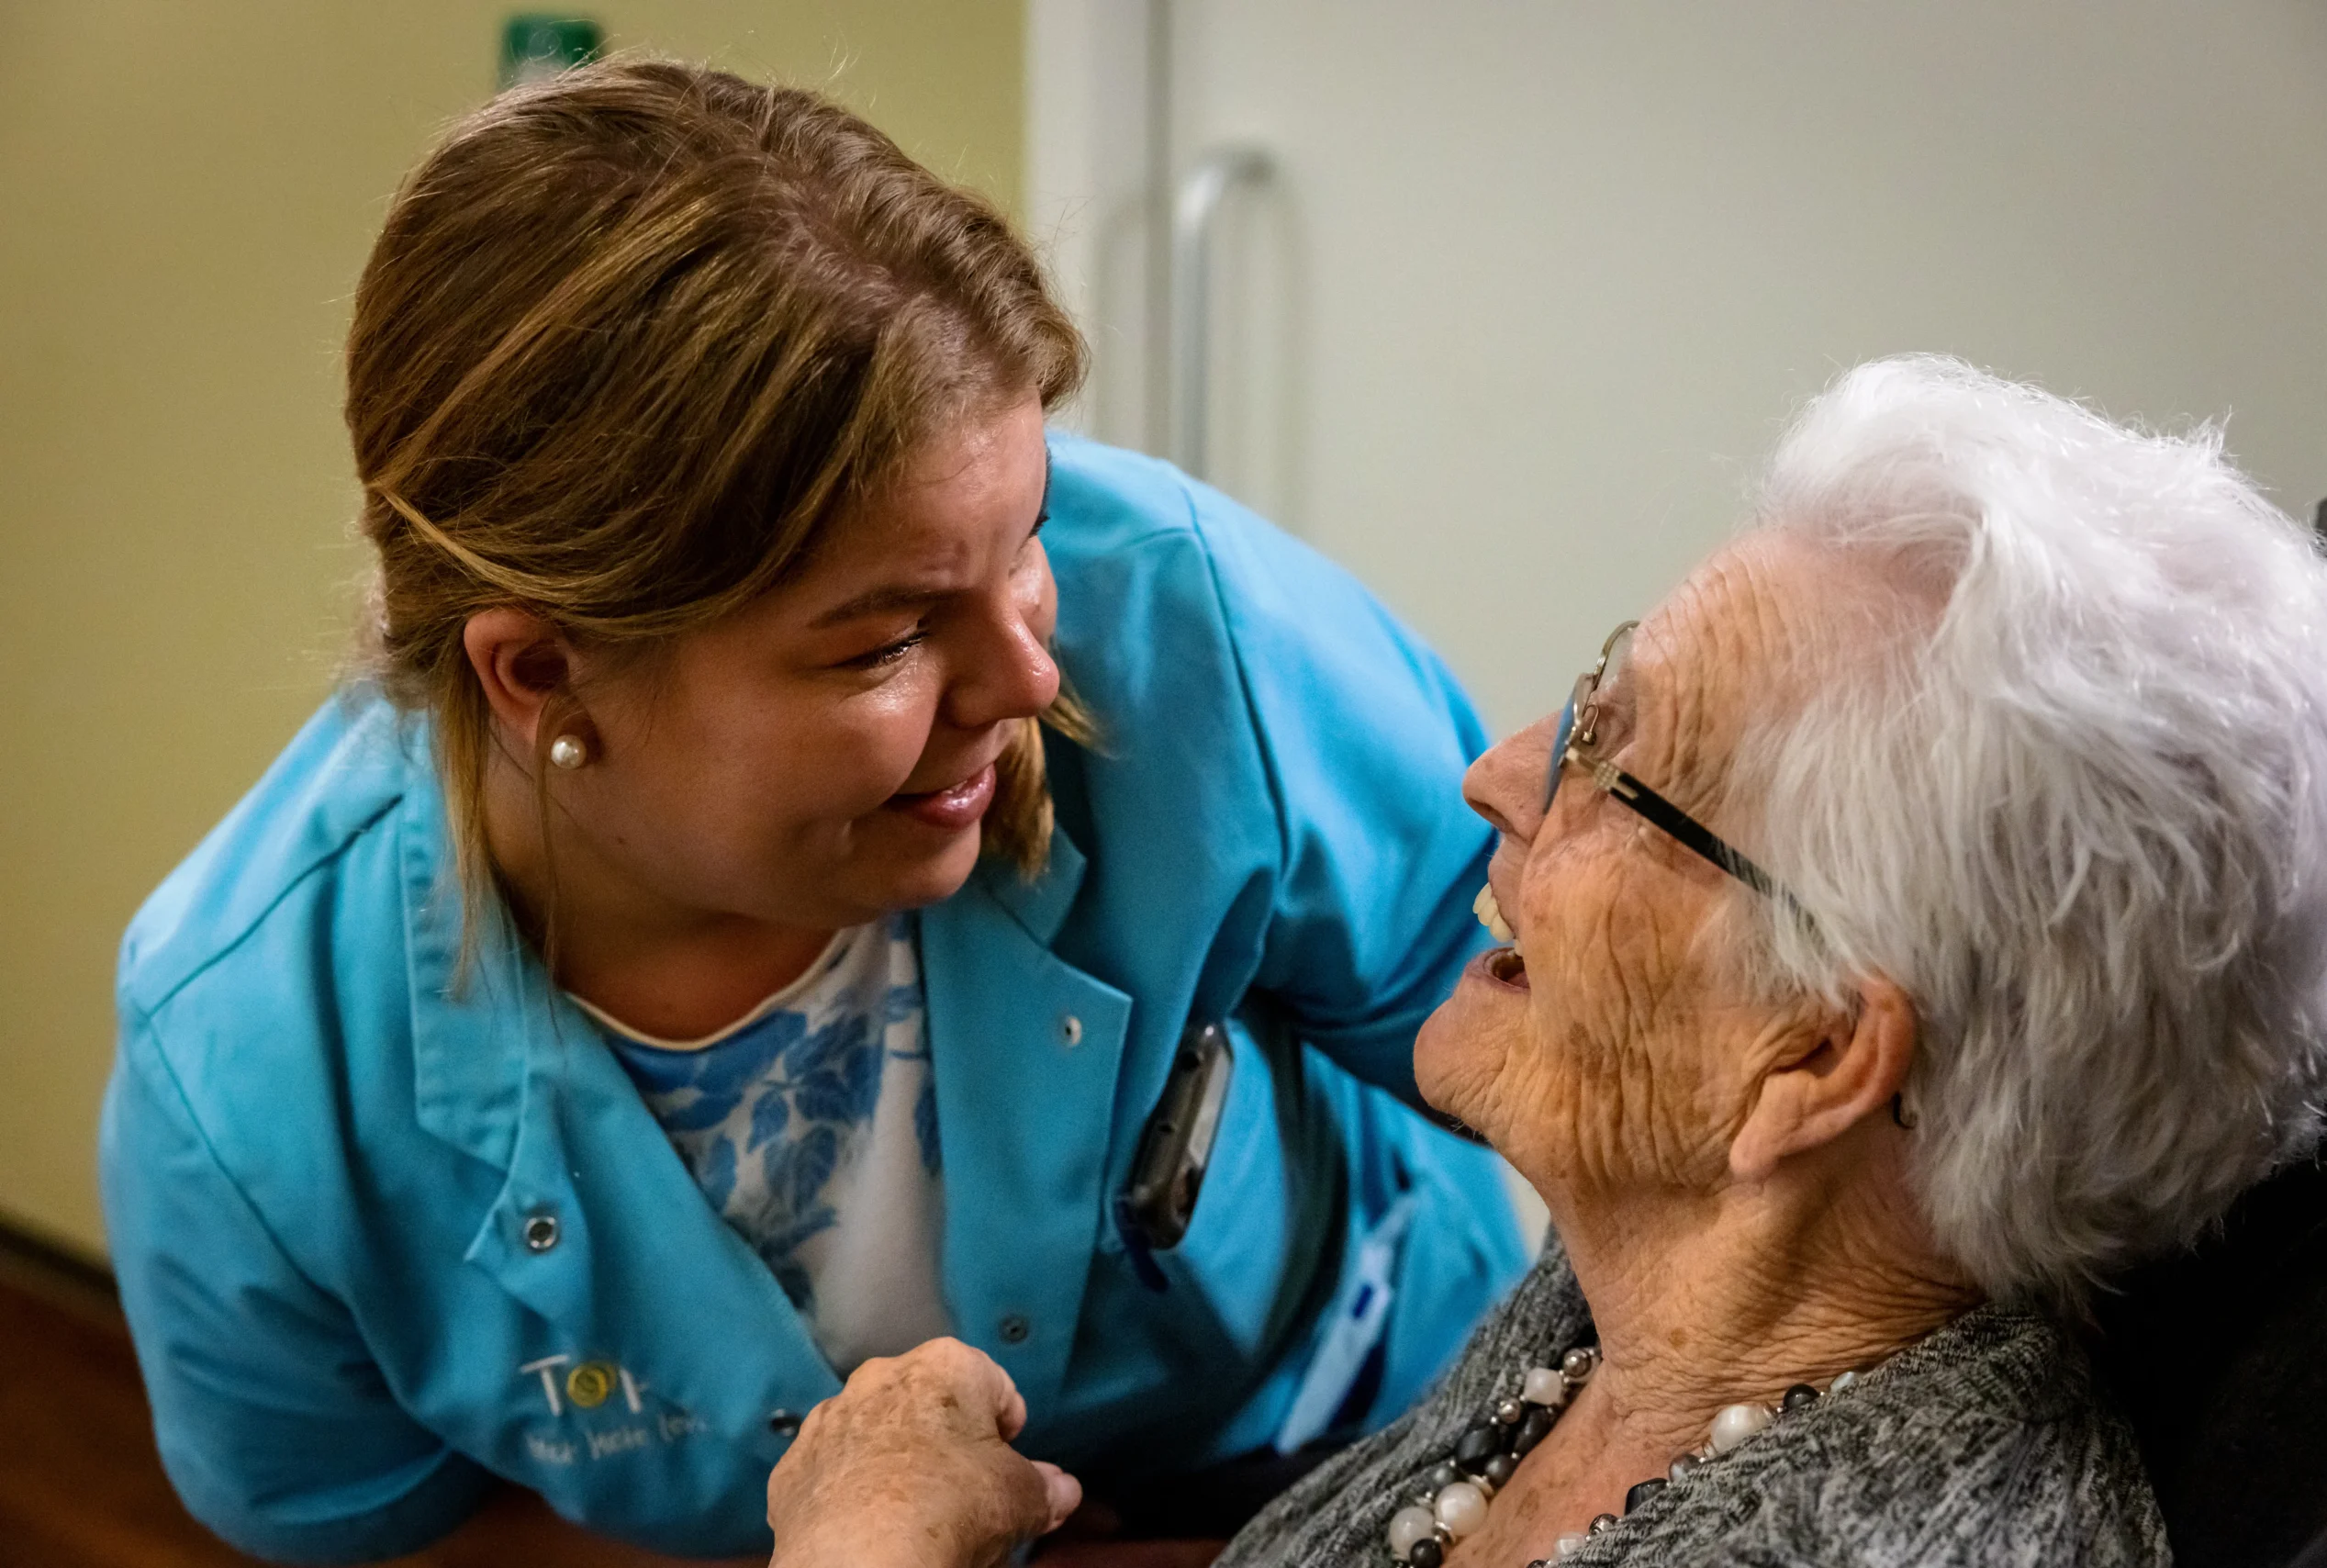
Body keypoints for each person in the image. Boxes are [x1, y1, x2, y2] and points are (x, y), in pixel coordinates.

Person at [97, 61, 1527, 1562]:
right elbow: (379, 1536)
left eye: (1027, 537)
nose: (1032, 675)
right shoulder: (251, 1068)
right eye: (886, 640)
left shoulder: (1187, 626)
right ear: (539, 674)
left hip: (1369, 1452)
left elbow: (1612, 1075)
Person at [756, 356, 2327, 1568]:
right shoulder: (1624, 1326)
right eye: (1591, 692)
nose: (1500, 773)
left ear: (1811, 1057)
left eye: (1620, 760)